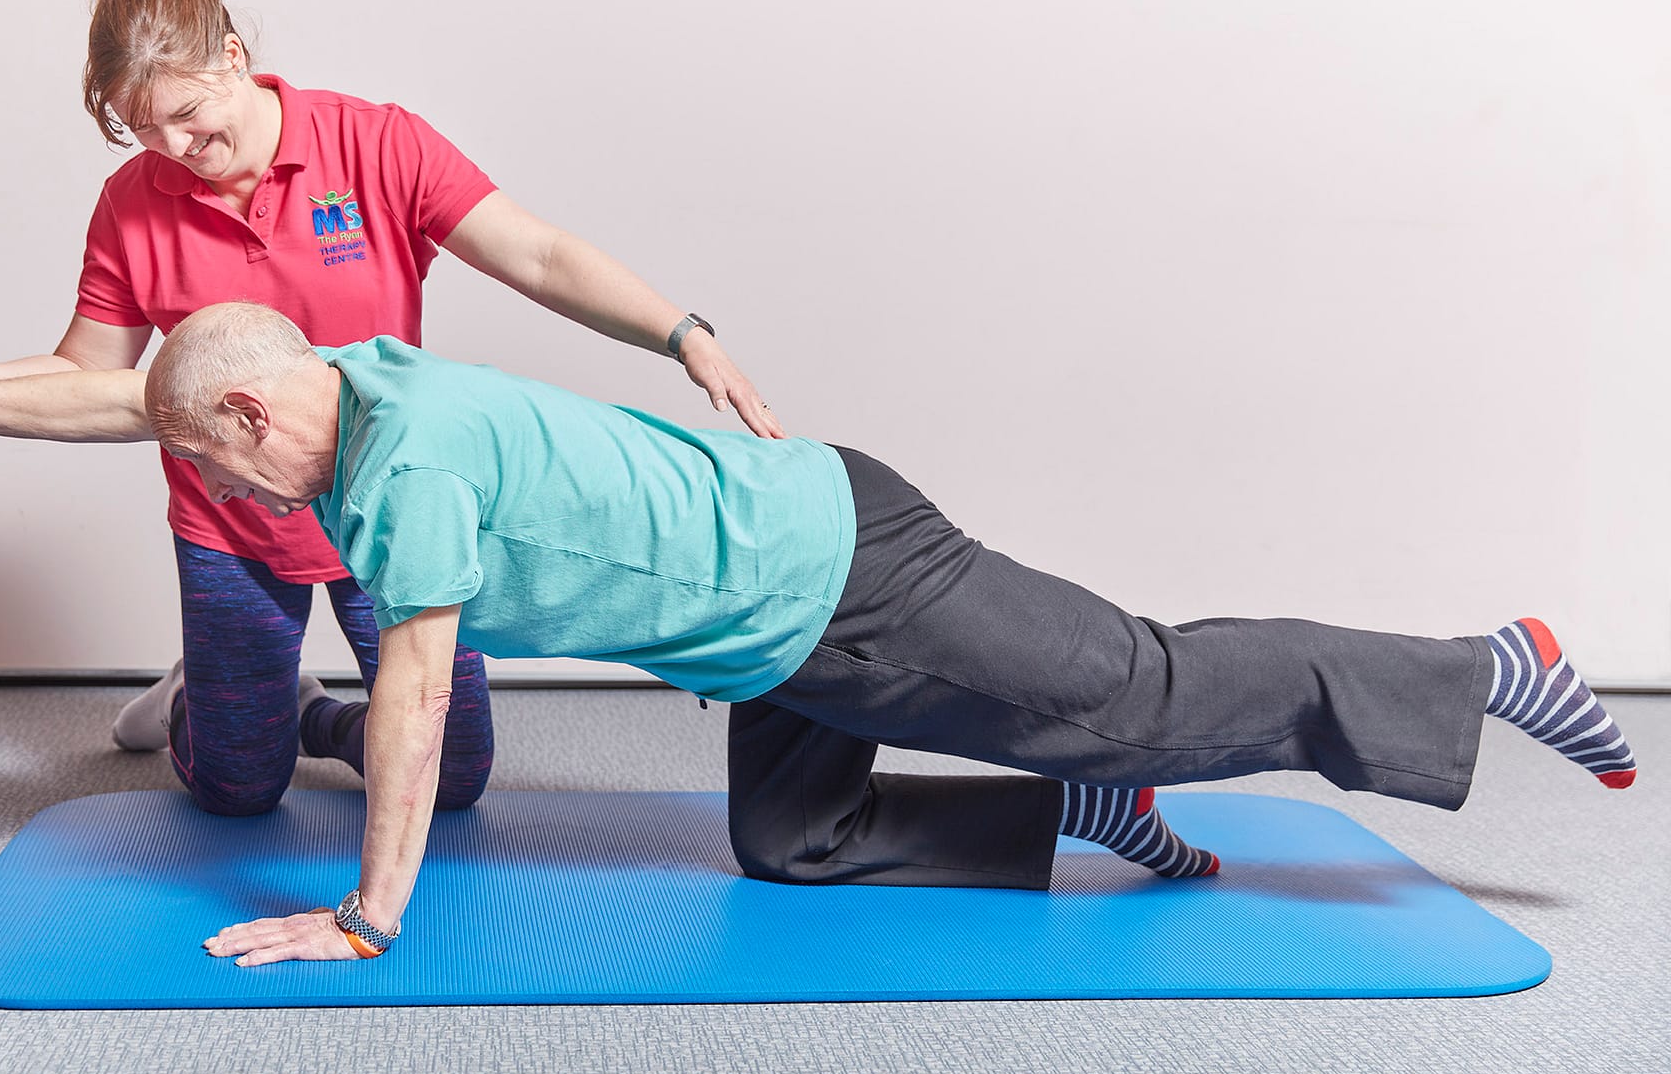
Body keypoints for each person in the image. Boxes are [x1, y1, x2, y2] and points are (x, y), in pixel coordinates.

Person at [112, 302, 1629, 964]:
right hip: (766, 630)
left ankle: (1489, 665)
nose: (238, 490)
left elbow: (416, 701)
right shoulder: (370, 372)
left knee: (1150, 689)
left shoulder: (399, 473)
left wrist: (370, 915)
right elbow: (158, 383)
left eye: (222, 461)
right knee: (792, 837)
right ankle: (1074, 800)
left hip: (838, 573)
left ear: (254, 410)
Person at [0, 0, 784, 821]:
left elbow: (539, 254)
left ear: (235, 56)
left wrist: (680, 332)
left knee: (457, 774)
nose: (176, 148)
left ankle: (305, 710)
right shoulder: (134, 200)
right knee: (236, 790)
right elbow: (94, 373)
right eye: (142, 128)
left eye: (191, 116)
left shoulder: (377, 144)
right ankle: (201, 708)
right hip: (232, 520)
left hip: (381, 515)